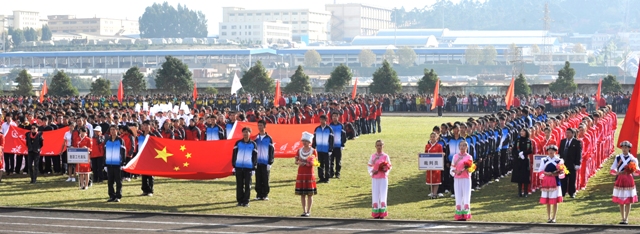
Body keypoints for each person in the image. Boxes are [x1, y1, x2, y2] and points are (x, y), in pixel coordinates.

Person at [610, 141, 639, 225]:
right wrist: (616, 172)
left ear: (629, 148)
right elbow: (613, 168)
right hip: (620, 179)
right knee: (621, 200)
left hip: (628, 179)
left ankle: (626, 218)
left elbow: (636, 170)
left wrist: (632, 170)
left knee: (628, 200)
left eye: (626, 147)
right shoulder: (618, 157)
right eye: (623, 147)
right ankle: (622, 218)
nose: (624, 149)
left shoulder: (632, 158)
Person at [232, 127, 258, 207]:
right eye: (244, 132)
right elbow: (234, 155)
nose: (245, 134)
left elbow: (255, 157)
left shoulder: (253, 144)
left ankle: (246, 201)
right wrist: (234, 165)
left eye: (247, 132)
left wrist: (254, 168)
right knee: (239, 185)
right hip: (239, 167)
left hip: (248, 168)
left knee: (247, 185)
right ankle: (240, 201)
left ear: (250, 133)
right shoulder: (238, 143)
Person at [538, 145, 564, 223]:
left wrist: (554, 173)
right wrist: (547, 173)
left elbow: (562, 171)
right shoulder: (544, 160)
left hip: (555, 181)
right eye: (549, 150)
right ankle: (549, 217)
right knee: (548, 200)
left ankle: (554, 217)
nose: (551, 152)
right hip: (547, 181)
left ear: (555, 151)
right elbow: (541, 170)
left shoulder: (559, 160)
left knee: (554, 200)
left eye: (552, 150)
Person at [295, 131, 318, 217]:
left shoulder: (313, 151)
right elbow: (296, 161)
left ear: (310, 142)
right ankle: (304, 210)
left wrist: (309, 163)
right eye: (303, 141)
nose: (304, 143)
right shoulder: (299, 150)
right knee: (302, 193)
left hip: (309, 173)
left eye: (306, 141)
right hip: (301, 173)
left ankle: (308, 210)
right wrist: (299, 163)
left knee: (309, 193)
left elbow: (315, 162)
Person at [368, 139, 391, 219]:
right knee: (375, 194)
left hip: (383, 178)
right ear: (375, 146)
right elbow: (370, 165)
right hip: (375, 178)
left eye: (380, 145)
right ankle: (376, 212)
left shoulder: (385, 156)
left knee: (383, 194)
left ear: (383, 146)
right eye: (377, 145)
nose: (379, 147)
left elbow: (389, 166)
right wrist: (372, 171)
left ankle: (382, 213)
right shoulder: (373, 156)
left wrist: (386, 169)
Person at [451, 141, 473, 221]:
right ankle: (459, 214)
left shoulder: (469, 157)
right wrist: (455, 172)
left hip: (466, 179)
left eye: (464, 145)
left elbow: (471, 168)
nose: (462, 147)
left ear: (467, 147)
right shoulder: (455, 157)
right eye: (461, 145)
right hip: (457, 179)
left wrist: (467, 169)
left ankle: (466, 213)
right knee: (458, 195)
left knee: (466, 195)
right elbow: (452, 168)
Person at [105, 125, 126, 202]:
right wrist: (105, 164)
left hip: (117, 164)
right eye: (111, 130)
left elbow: (123, 152)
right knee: (110, 181)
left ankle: (118, 196)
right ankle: (111, 195)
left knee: (118, 181)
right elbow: (105, 152)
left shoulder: (120, 140)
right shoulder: (107, 141)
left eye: (114, 129)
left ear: (117, 130)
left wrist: (123, 163)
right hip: (109, 164)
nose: (112, 131)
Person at [254, 120, 275, 201]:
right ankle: (258, 194)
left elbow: (272, 151)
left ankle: (265, 194)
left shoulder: (269, 138)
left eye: (261, 125)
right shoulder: (255, 138)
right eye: (258, 125)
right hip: (258, 162)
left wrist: (270, 162)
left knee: (265, 179)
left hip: (265, 162)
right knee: (258, 179)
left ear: (265, 126)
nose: (260, 127)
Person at [559, 128, 582, 198]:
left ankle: (572, 192)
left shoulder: (577, 142)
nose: (567, 134)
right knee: (563, 179)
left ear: (573, 134)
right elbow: (560, 152)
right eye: (566, 133)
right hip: (563, 164)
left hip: (572, 164)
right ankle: (562, 192)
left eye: (569, 133)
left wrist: (578, 163)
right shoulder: (562, 141)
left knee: (572, 179)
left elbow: (579, 154)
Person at [312, 115, 334, 183]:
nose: (321, 121)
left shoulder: (329, 129)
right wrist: (313, 147)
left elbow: (331, 140)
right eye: (320, 119)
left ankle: (327, 178)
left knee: (327, 164)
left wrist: (330, 149)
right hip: (319, 149)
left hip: (326, 150)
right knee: (319, 164)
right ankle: (321, 177)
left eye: (323, 120)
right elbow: (314, 138)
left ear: (326, 120)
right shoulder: (317, 129)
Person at [512, 129, 533, 197]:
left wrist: (523, 153)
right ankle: (519, 192)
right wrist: (518, 154)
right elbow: (514, 149)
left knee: (525, 176)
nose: (522, 133)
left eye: (523, 131)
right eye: (521, 131)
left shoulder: (528, 141)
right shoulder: (517, 140)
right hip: (518, 160)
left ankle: (526, 192)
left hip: (525, 160)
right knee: (519, 176)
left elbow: (530, 150)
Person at [425, 132, 444, 199]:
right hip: (429, 165)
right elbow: (425, 155)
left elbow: (441, 155)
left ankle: (435, 193)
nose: (432, 138)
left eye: (434, 137)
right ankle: (432, 192)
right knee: (431, 179)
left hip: (436, 166)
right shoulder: (427, 146)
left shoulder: (439, 146)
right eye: (431, 137)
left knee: (436, 180)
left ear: (437, 138)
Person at [329, 111, 347, 179]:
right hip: (331, 146)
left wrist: (342, 144)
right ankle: (331, 173)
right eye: (333, 116)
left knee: (338, 161)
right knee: (331, 161)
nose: (334, 118)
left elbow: (344, 135)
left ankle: (337, 173)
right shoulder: (329, 125)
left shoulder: (341, 125)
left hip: (338, 146)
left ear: (338, 117)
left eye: (335, 116)